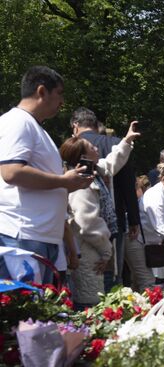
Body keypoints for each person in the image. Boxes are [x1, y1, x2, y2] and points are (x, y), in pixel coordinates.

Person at [0, 66, 92, 284]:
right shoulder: (18, 122)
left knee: (40, 314)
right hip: (23, 236)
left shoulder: (35, 127)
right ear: (42, 91)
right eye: (59, 93)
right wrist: (63, 181)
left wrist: (69, 182)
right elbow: (11, 172)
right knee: (25, 314)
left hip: (39, 236)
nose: (62, 102)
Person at [60, 122, 140, 307]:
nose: (97, 147)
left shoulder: (92, 172)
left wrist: (127, 140)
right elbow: (87, 225)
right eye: (92, 147)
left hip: (96, 252)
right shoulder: (82, 184)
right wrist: (106, 253)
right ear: (83, 157)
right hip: (91, 256)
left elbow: (112, 162)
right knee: (93, 306)